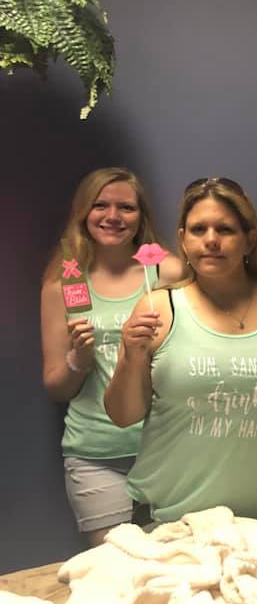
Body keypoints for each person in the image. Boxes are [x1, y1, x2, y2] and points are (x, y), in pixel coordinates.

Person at [104, 177, 257, 524]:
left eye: (225, 229)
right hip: (168, 519)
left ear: (249, 240)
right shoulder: (157, 309)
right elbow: (123, 415)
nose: (211, 240)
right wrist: (131, 359)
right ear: (183, 239)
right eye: (198, 229)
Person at [40, 168, 184, 545]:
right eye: (100, 205)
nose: (113, 216)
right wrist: (78, 359)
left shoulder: (167, 272)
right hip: (96, 454)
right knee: (115, 566)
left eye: (126, 207)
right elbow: (56, 386)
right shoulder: (63, 284)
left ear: (141, 216)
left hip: (167, 449)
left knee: (177, 562)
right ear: (83, 213)